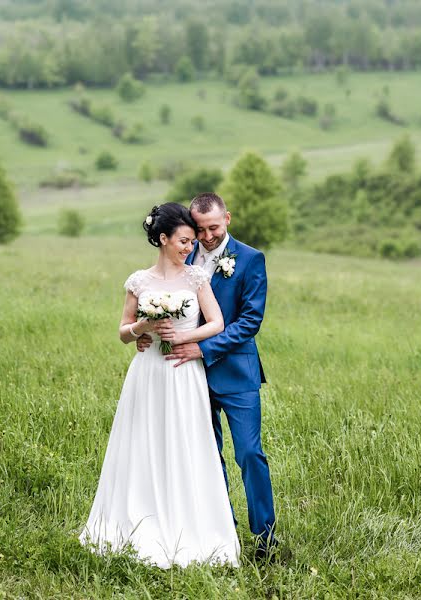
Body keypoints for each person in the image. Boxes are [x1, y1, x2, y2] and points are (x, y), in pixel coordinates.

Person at [79, 202, 241, 569]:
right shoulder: (140, 281)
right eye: (183, 241)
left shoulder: (196, 278)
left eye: (192, 241)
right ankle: (139, 518)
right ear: (163, 238)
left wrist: (185, 337)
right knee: (143, 442)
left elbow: (216, 323)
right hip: (147, 372)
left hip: (183, 371)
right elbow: (123, 331)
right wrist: (144, 328)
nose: (189, 247)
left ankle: (188, 524)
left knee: (185, 441)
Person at [137, 192, 278, 561]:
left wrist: (204, 348)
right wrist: (148, 335)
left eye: (213, 228)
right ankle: (221, 533)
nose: (206, 236)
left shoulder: (250, 259)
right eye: (199, 229)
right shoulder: (185, 254)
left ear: (227, 219)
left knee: (249, 453)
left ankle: (265, 538)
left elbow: (250, 321)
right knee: (206, 456)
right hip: (189, 377)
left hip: (235, 373)